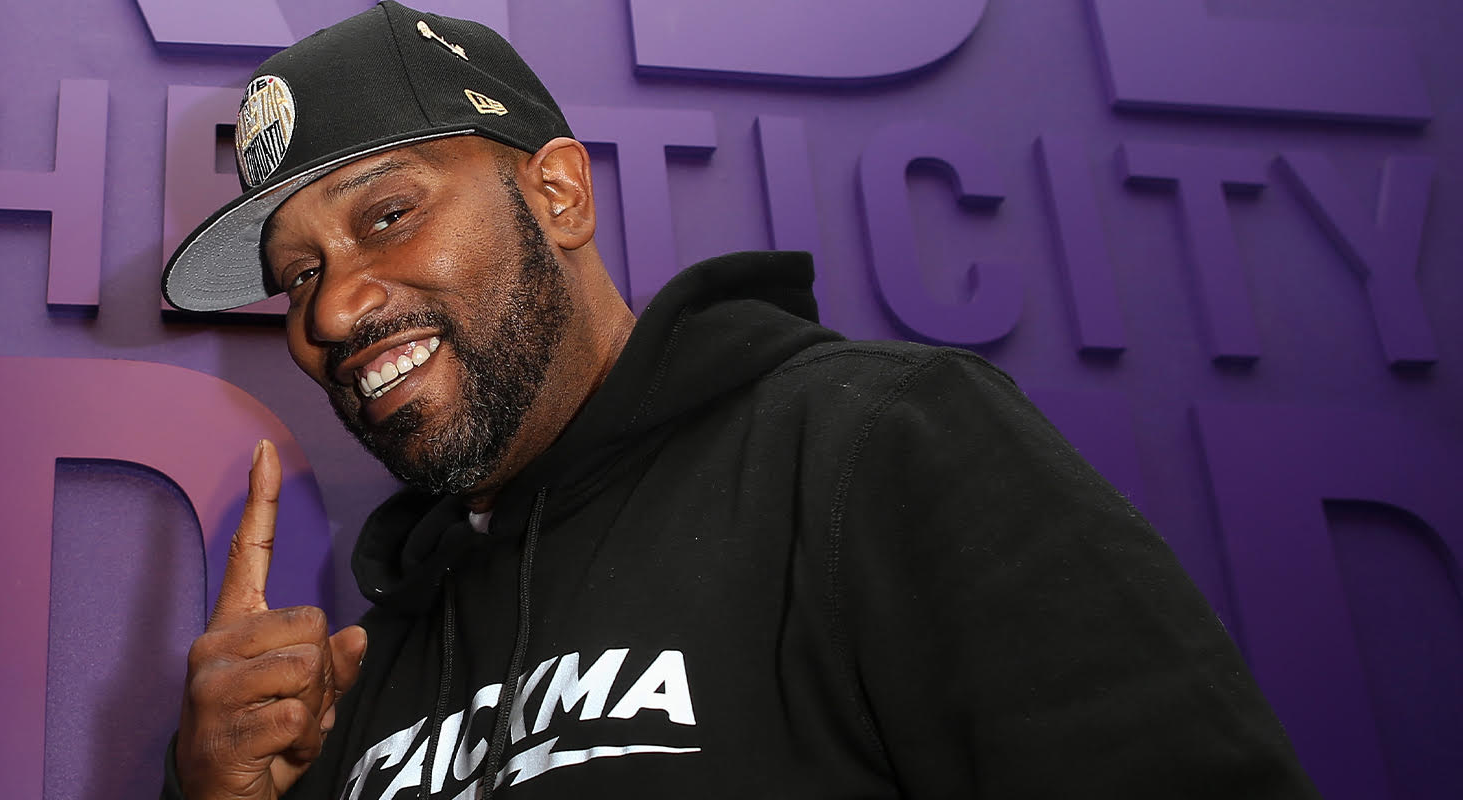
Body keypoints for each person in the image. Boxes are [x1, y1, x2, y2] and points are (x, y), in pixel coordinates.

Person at [156, 3, 1322, 798]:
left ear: (557, 194)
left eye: (387, 214)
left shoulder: (875, 446)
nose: (332, 309)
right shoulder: (372, 660)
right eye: (298, 273)